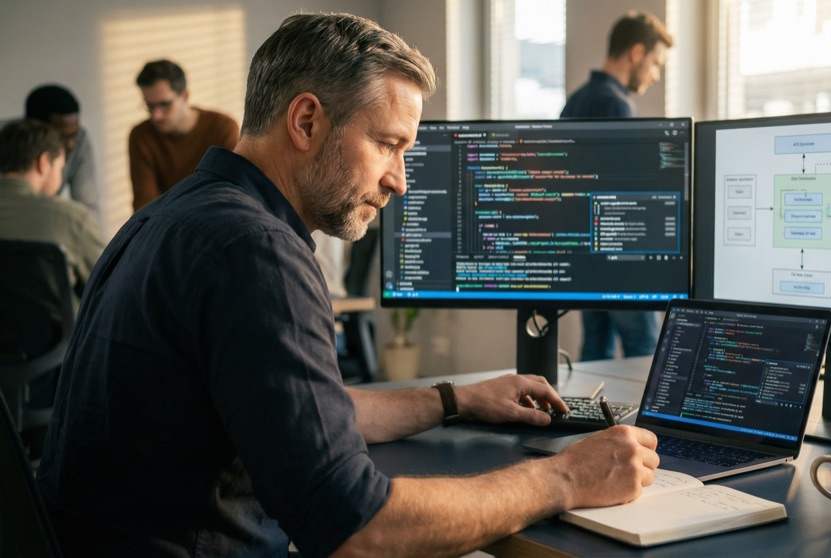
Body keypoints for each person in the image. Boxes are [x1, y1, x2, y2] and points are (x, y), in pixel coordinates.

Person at [38, 13, 658, 557]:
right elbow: (357, 530)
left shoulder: (174, 215)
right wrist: (568, 478)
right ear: (307, 119)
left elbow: (298, 412)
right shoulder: (256, 251)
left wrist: (453, 399)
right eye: (388, 144)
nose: (401, 182)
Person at [561, 11, 674, 362]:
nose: (655, 75)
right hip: (621, 259)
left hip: (586, 259)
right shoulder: (617, 104)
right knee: (644, 355)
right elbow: (630, 196)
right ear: (636, 53)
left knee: (596, 354)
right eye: (655, 63)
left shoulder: (576, 100)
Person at [0, 119, 105, 441]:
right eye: (60, 167)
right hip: (51, 381)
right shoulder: (69, 219)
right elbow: (115, 290)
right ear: (44, 162)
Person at [128, 58, 239, 211]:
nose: (156, 116)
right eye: (149, 106)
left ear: (185, 96)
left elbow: (231, 197)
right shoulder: (141, 137)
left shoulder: (222, 128)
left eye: (164, 104)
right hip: (167, 226)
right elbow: (144, 207)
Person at [24, 84, 100, 215]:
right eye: (62, 137)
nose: (71, 144)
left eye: (74, 135)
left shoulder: (79, 141)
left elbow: (87, 208)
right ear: (35, 129)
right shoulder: (7, 144)